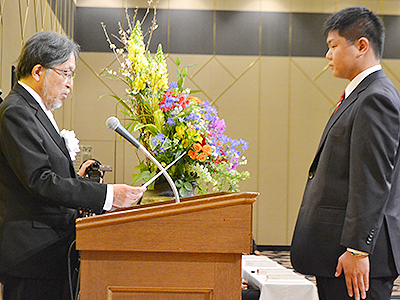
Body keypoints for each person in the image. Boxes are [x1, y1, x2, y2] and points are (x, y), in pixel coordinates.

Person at [0, 31, 146, 300]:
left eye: (72, 75)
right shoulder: (17, 111)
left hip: (51, 252)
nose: (70, 84)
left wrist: (78, 180)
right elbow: (39, 180)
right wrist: (109, 195)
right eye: (65, 73)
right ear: (38, 71)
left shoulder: (37, 111)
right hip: (33, 256)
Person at [291, 6, 400, 300]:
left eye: (333, 46)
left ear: (361, 46)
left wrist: (357, 249)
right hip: (337, 254)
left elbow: (372, 180)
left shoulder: (375, 98)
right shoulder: (363, 94)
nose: (328, 55)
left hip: (355, 258)